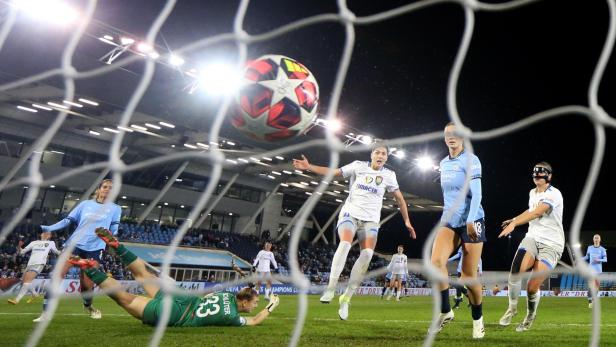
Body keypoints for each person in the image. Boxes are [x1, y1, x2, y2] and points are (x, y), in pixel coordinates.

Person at [293, 142, 416, 320]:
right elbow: (334, 173)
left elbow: (400, 200)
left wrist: (407, 221)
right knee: (344, 244)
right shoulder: (358, 166)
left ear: (386, 157)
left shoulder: (389, 175)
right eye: (377, 152)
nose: (380, 156)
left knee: (366, 255)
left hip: (371, 221)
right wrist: (309, 166)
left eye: (384, 153)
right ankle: (331, 288)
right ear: (372, 154)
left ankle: (346, 298)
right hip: (350, 215)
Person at [68, 228, 279, 327]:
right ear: (243, 301)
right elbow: (254, 320)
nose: (255, 305)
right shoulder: (233, 318)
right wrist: (270, 306)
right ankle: (93, 270)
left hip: (183, 296)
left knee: (143, 274)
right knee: (126, 298)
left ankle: (118, 247)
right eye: (255, 302)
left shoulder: (225, 293)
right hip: (177, 314)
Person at [34, 179, 121, 322]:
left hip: (95, 249)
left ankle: (89, 306)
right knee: (58, 274)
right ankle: (45, 313)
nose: (107, 190)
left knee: (87, 283)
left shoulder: (116, 208)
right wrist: (47, 228)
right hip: (74, 244)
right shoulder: (85, 204)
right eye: (105, 187)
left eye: (111, 188)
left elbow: (114, 230)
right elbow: (67, 221)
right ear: (98, 190)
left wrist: (111, 236)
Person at [429, 122, 486, 339]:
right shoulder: (443, 163)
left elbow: (477, 194)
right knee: (436, 263)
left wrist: (471, 219)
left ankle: (478, 320)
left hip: (473, 218)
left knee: (468, 276)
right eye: (447, 135)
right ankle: (445, 311)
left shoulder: (472, 160)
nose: (451, 137)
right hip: (449, 220)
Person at [498, 162, 564, 332]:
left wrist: (515, 225)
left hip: (552, 243)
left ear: (548, 176)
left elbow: (537, 212)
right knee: (515, 270)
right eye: (535, 172)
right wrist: (514, 220)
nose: (537, 175)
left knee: (532, 286)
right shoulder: (532, 192)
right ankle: (512, 308)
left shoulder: (554, 194)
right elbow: (530, 211)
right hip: (533, 237)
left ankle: (530, 315)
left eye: (541, 172)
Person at [8, 231, 60, 305]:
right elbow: (22, 252)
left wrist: (66, 252)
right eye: (44, 232)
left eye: (48, 233)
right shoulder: (34, 242)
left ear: (49, 236)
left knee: (26, 282)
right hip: (30, 264)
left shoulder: (51, 243)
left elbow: (56, 251)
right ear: (41, 234)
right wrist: (19, 246)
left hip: (39, 264)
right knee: (24, 281)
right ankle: (34, 294)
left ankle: (16, 300)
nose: (45, 234)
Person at [582, 234, 607, 308]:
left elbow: (605, 259)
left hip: (599, 271)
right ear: (593, 239)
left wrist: (598, 260)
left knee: (596, 287)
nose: (596, 239)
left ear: (600, 240)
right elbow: (587, 257)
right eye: (595, 238)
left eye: (597, 238)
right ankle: (590, 302)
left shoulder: (602, 249)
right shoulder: (589, 248)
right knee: (590, 286)